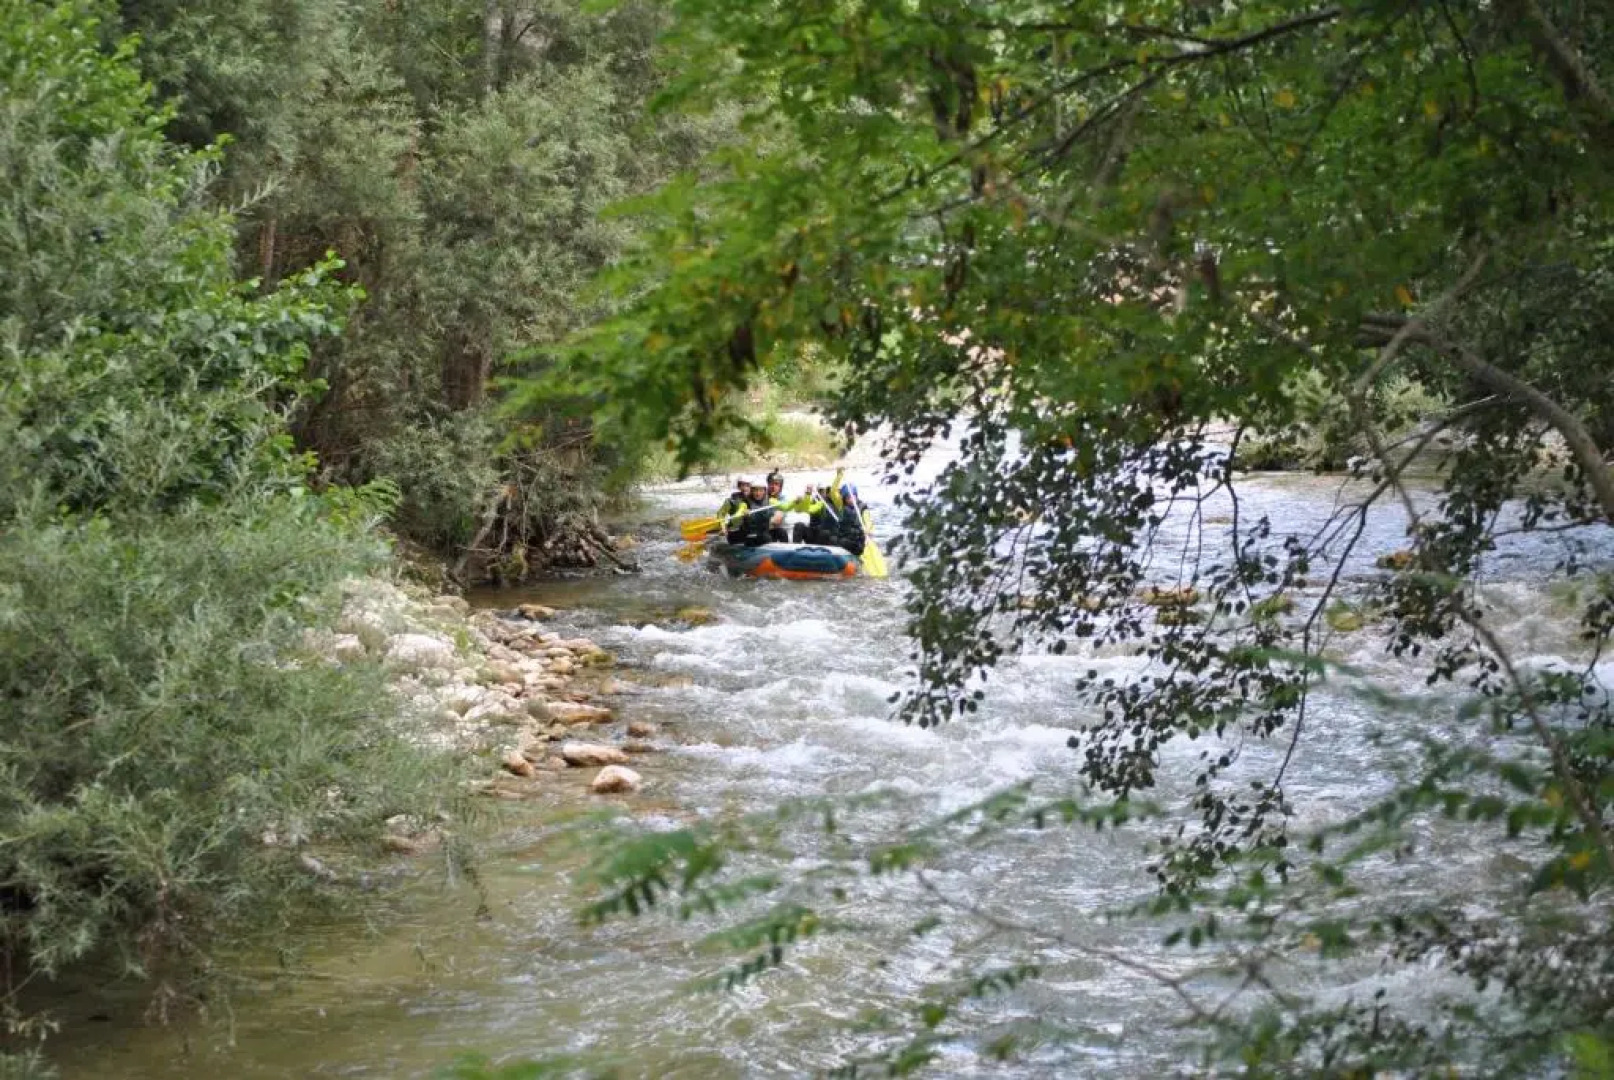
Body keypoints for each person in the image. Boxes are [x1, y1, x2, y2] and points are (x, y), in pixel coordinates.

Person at [834, 484, 867, 558]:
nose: (850, 499)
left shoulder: (862, 508)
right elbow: (833, 491)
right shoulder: (841, 506)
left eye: (852, 497)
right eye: (848, 498)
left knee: (854, 545)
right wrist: (839, 477)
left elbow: (868, 521)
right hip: (845, 539)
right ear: (844, 499)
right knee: (841, 541)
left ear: (856, 496)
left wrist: (868, 529)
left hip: (857, 541)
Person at [721, 479, 750, 544]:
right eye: (743, 485)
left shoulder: (756, 498)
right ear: (739, 487)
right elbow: (721, 514)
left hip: (749, 530)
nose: (745, 488)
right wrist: (723, 527)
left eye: (747, 486)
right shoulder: (732, 500)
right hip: (735, 532)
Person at [764, 471, 789, 541]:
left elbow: (777, 520)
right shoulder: (761, 496)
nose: (773, 487)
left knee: (782, 532)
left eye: (776, 484)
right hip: (761, 530)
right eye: (771, 484)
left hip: (774, 529)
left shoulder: (783, 499)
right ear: (767, 484)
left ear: (780, 487)